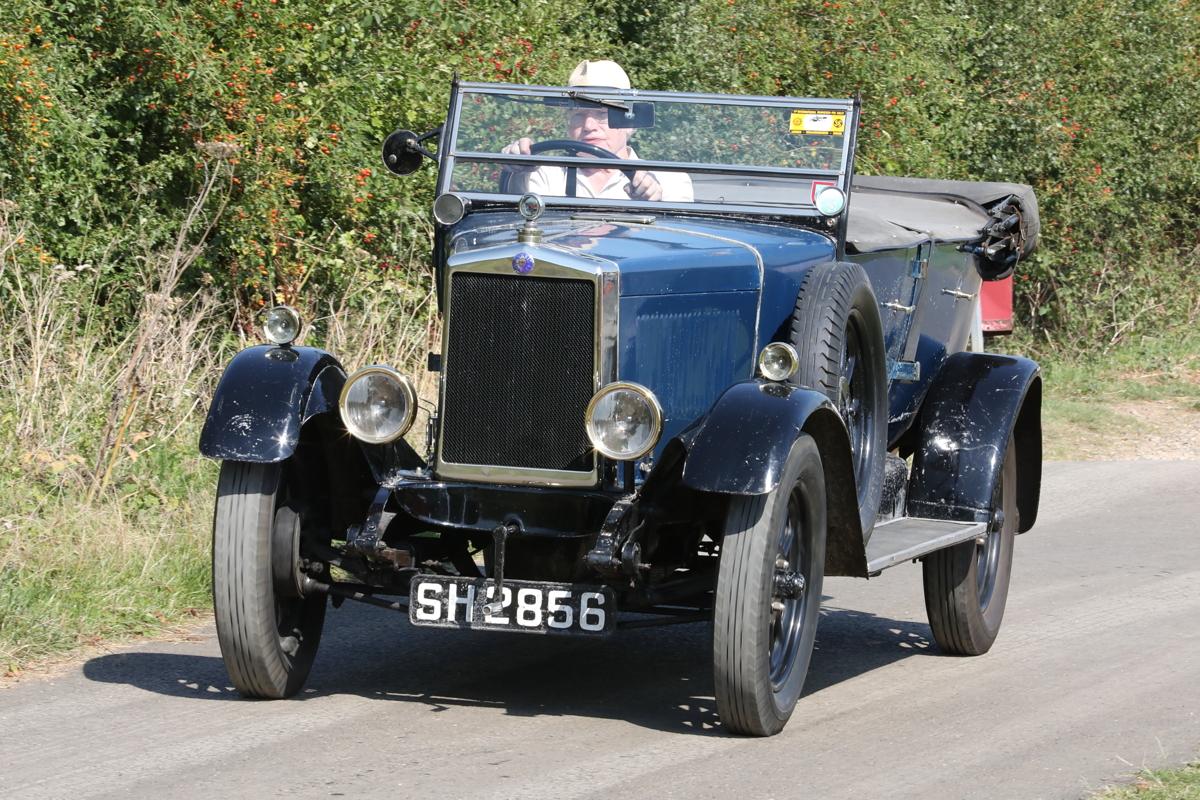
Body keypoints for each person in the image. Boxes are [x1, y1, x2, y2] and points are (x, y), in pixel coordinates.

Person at [501, 60, 694, 202]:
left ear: (630, 124)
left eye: (602, 114)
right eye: (578, 115)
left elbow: (677, 246)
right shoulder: (545, 175)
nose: (588, 125)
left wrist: (655, 206)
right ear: (567, 124)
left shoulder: (669, 179)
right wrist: (518, 165)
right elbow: (518, 222)